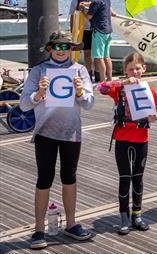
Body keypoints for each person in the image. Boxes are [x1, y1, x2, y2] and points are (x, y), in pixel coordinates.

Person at [20, 30, 95, 249]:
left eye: (66, 47)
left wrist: (80, 92)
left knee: (69, 177)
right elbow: (24, 104)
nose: (62, 51)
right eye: (57, 46)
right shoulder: (38, 70)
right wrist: (39, 94)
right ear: (50, 48)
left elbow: (89, 104)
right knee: (44, 178)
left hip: (71, 132)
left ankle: (71, 224)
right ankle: (39, 229)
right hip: (45, 131)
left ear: (72, 49)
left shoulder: (80, 70)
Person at [97, 52, 157, 234]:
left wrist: (153, 117)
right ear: (125, 70)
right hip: (123, 139)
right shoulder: (120, 88)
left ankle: (137, 215)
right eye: (130, 69)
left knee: (138, 178)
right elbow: (101, 87)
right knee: (125, 178)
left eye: (137, 68)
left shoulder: (150, 90)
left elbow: (155, 114)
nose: (134, 72)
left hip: (141, 139)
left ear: (144, 69)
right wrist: (123, 82)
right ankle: (124, 215)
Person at [79, 0, 114, 82]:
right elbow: (97, 4)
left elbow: (89, 17)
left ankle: (102, 81)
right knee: (107, 56)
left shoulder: (95, 1)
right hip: (108, 30)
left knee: (99, 57)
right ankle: (110, 79)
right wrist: (86, 4)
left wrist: (82, 11)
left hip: (98, 31)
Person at [67, 0, 92, 71]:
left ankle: (98, 74)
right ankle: (89, 72)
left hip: (94, 29)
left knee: (97, 55)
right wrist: (71, 32)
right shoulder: (75, 1)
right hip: (83, 30)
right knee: (86, 53)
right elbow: (72, 18)